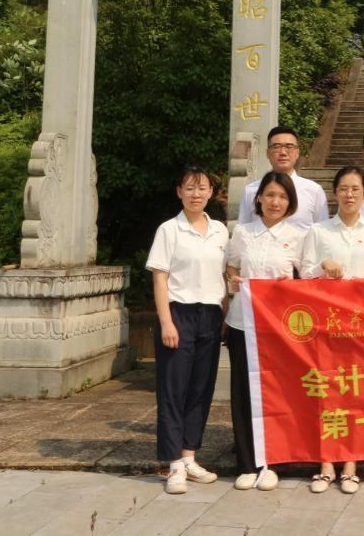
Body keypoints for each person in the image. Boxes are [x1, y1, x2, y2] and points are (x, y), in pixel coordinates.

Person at [297, 165, 364, 495]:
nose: (349, 194)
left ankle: (351, 465)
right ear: (335, 192)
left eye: (356, 189)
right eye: (344, 188)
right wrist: (323, 265)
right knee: (326, 393)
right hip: (325, 325)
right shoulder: (319, 231)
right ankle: (326, 464)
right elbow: (304, 272)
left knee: (356, 393)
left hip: (361, 327)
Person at [146, 166, 228, 495]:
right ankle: (174, 465)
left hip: (211, 314)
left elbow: (224, 276)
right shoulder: (169, 230)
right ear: (179, 192)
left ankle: (190, 456)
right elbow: (160, 278)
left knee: (200, 389)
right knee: (173, 390)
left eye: (202, 188)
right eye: (190, 188)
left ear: (211, 192)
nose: (196, 194)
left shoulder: (220, 230)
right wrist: (166, 321)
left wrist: (224, 316)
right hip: (179, 313)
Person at [225, 170, 307, 491]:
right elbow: (232, 266)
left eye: (283, 197)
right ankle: (247, 463)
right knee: (243, 392)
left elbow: (306, 278)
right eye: (270, 195)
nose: (275, 202)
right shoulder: (243, 232)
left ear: (291, 202)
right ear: (258, 198)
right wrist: (233, 281)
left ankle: (274, 462)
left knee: (277, 392)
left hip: (278, 328)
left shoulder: (299, 236)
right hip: (242, 323)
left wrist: (291, 284)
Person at [238, 126, 329, 230]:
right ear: (268, 153)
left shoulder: (314, 190)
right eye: (276, 147)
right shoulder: (251, 190)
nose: (283, 153)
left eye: (289, 147)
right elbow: (243, 229)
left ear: (297, 153)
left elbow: (322, 232)